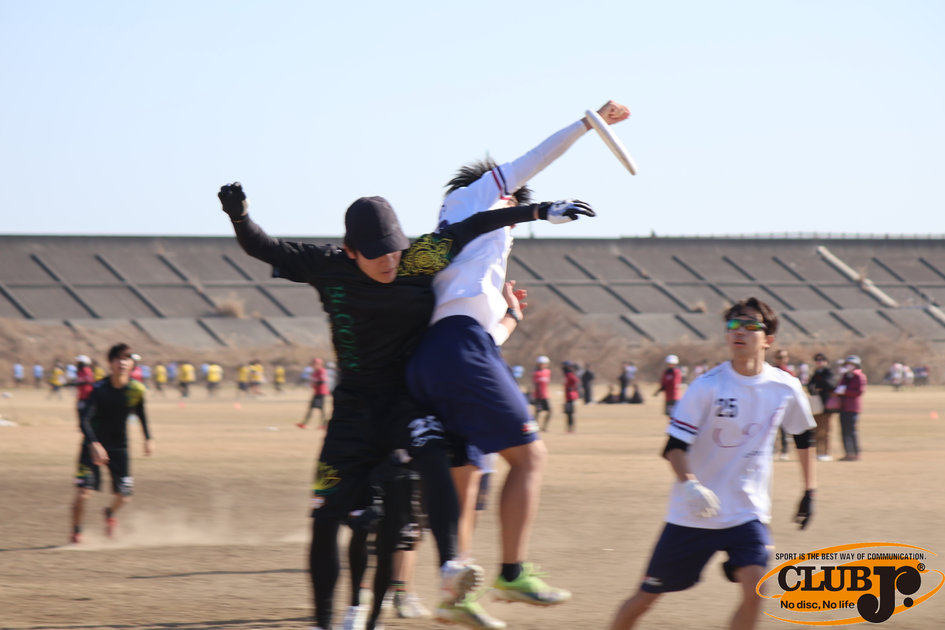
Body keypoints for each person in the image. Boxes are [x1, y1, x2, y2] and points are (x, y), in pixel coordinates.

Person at [218, 181, 591, 630]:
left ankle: (451, 565)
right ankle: (323, 621)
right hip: (353, 413)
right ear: (350, 251)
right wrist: (239, 216)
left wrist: (540, 212)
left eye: (394, 250)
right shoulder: (327, 265)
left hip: (405, 403)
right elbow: (262, 247)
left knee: (431, 456)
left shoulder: (419, 259)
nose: (389, 261)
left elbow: (475, 224)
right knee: (326, 519)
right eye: (376, 254)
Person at [406, 101, 629, 627]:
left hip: (442, 355)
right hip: (459, 348)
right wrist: (587, 124)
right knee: (530, 458)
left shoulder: (465, 251)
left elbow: (475, 332)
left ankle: (454, 590)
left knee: (466, 478)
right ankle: (511, 571)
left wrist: (510, 320)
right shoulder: (477, 196)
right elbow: (534, 159)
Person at [608, 297, 816, 630]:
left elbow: (804, 436)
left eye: (750, 325)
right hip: (694, 513)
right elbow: (673, 447)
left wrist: (809, 491)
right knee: (646, 597)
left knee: (756, 590)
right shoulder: (707, 386)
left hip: (747, 511)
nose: (739, 331)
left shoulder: (785, 387)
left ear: (768, 339)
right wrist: (691, 485)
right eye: (734, 325)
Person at [70, 343, 153, 543]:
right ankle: (77, 533)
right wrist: (94, 444)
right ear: (110, 363)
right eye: (118, 359)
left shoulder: (136, 390)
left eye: (126, 359)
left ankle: (110, 513)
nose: (122, 363)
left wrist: (148, 438)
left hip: (119, 448)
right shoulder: (98, 389)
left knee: (124, 496)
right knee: (83, 494)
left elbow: (141, 414)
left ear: (132, 363)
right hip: (91, 448)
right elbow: (84, 420)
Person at [836, 355, 867, 461]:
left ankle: (855, 452)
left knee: (851, 431)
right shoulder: (845, 376)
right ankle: (848, 453)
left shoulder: (859, 376)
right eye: (848, 364)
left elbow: (859, 391)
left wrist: (846, 391)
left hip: (853, 407)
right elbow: (839, 387)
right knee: (844, 431)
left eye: (851, 364)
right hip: (843, 406)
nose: (849, 366)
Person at [807, 353, 836, 461]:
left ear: (826, 362)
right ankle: (818, 452)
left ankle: (826, 452)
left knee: (825, 430)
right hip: (816, 405)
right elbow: (810, 386)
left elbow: (830, 384)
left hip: (826, 405)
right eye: (817, 360)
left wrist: (818, 385)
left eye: (821, 360)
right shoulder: (815, 373)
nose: (819, 362)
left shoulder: (829, 372)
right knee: (816, 430)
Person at [772, 349, 796, 460]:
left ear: (787, 359)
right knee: (771, 430)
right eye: (778, 357)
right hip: (771, 404)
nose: (780, 360)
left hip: (785, 405)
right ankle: (771, 450)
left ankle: (784, 451)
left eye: (783, 357)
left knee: (784, 430)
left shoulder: (789, 373)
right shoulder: (770, 372)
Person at [298, 357, 330, 429]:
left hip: (321, 392)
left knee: (321, 409)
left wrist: (315, 384)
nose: (313, 365)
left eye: (315, 364)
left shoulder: (322, 371)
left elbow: (322, 381)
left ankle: (324, 424)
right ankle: (304, 423)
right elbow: (312, 380)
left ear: (319, 364)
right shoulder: (315, 372)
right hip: (316, 392)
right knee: (312, 408)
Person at [532, 356, 552, 430]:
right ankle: (535, 427)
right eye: (541, 363)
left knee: (549, 411)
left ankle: (544, 427)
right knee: (537, 412)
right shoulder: (536, 373)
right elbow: (536, 384)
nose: (543, 365)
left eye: (544, 363)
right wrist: (539, 395)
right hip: (538, 396)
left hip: (545, 396)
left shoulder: (548, 372)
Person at [562, 361, 580, 433]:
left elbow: (576, 381)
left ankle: (571, 428)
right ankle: (569, 428)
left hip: (571, 396)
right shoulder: (568, 374)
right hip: (568, 396)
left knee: (570, 413)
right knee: (568, 413)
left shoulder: (570, 374)